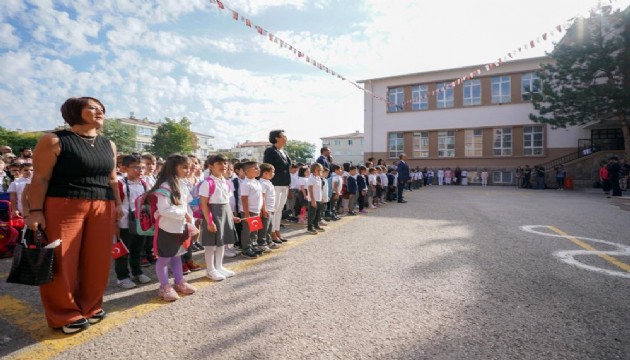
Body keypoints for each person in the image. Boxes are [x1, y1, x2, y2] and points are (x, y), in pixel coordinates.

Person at [27, 96, 122, 334]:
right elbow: (40, 178)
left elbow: (112, 179)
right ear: (74, 111)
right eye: (93, 107)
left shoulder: (109, 144)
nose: (100, 111)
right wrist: (35, 211)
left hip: (103, 205)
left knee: (98, 259)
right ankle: (64, 314)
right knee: (61, 260)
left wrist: (118, 205)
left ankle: (90, 306)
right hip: (63, 204)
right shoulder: (54, 140)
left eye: (102, 109)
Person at [152, 154, 197, 302]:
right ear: (173, 168)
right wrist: (183, 214)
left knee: (177, 255)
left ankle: (179, 282)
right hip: (167, 228)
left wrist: (190, 223)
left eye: (189, 167)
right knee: (164, 259)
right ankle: (165, 286)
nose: (188, 170)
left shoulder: (181, 184)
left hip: (180, 227)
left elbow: (186, 206)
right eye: (184, 167)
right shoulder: (165, 186)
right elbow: (164, 210)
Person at [115, 155, 152, 289]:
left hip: (140, 223)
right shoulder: (120, 184)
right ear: (125, 168)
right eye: (136, 167)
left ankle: (137, 272)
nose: (140, 170)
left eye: (142, 167)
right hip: (124, 224)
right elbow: (114, 206)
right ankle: (122, 276)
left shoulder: (143, 183)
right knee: (123, 251)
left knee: (137, 249)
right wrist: (115, 224)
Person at [200, 154, 238, 281]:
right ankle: (210, 270)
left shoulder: (226, 182)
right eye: (220, 163)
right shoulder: (207, 183)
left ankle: (219, 266)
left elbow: (226, 201)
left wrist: (232, 216)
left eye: (225, 163)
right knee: (210, 244)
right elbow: (204, 205)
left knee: (222, 242)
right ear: (211, 166)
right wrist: (209, 222)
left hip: (225, 212)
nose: (224, 166)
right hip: (213, 214)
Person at [262, 130, 292, 243]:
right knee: (273, 209)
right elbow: (267, 167)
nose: (286, 137)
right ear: (277, 138)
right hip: (275, 184)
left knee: (279, 210)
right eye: (284, 135)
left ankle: (277, 230)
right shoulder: (270, 151)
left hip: (284, 183)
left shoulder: (283, 151)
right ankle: (271, 233)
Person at [240, 161, 266, 259]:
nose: (258, 170)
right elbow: (244, 199)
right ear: (247, 171)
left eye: (258, 168)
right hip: (249, 211)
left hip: (256, 210)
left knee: (254, 229)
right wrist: (246, 214)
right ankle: (246, 249)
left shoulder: (256, 182)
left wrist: (260, 210)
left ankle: (253, 245)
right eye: (255, 168)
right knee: (248, 231)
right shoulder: (246, 183)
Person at [258, 163, 280, 249]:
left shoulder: (268, 182)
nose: (273, 174)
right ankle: (262, 243)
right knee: (264, 227)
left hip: (270, 208)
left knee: (269, 227)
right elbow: (262, 197)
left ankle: (268, 240)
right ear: (265, 173)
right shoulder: (262, 183)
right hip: (266, 209)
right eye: (272, 172)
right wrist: (264, 209)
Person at [306, 163, 325, 234]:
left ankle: (316, 225)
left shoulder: (318, 178)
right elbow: (310, 190)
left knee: (318, 213)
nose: (320, 172)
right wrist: (313, 201)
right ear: (313, 170)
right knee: (312, 214)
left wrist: (321, 197)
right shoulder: (311, 178)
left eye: (321, 170)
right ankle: (310, 227)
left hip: (318, 198)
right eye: (318, 170)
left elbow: (319, 189)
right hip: (313, 199)